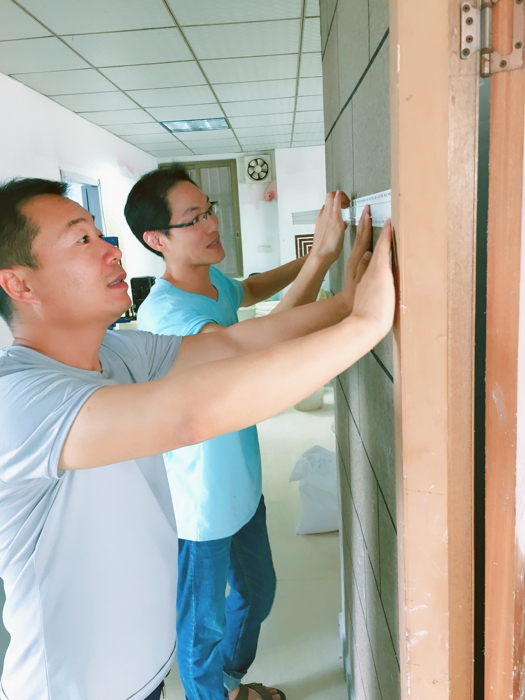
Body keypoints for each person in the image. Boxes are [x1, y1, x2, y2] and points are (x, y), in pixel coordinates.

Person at [0, 176, 394, 700]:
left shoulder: (116, 352)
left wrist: (346, 303)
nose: (113, 250)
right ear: (20, 285)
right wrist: (366, 323)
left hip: (143, 676)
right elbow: (192, 415)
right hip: (71, 692)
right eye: (82, 239)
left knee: (250, 592)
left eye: (100, 233)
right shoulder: (19, 400)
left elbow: (233, 346)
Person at [125, 166, 373, 700]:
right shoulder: (165, 312)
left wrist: (315, 255)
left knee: (258, 593)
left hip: (240, 481)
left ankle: (230, 682)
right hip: (200, 502)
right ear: (157, 239)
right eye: (194, 219)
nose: (212, 224)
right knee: (202, 629)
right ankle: (211, 693)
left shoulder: (211, 280)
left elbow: (253, 288)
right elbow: (249, 351)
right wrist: (326, 266)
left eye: (209, 209)